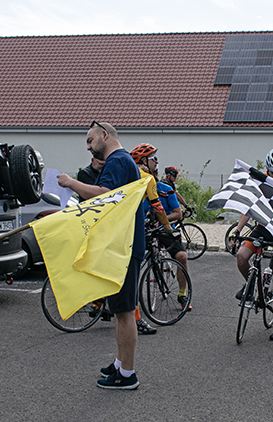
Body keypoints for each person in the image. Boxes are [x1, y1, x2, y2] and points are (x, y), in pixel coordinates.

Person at [57, 121, 145, 390]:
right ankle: (120, 363)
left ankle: (127, 374)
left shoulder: (117, 160)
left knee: (124, 311)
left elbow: (104, 196)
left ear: (104, 135)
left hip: (124, 248)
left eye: (90, 139)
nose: (88, 146)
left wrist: (71, 183)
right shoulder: (122, 160)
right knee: (120, 311)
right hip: (123, 246)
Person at [229, 147, 273, 341]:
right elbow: (249, 208)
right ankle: (252, 286)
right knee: (242, 256)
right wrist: (237, 231)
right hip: (263, 226)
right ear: (268, 169)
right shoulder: (258, 180)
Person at [132, 145, 192, 312]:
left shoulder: (166, 190)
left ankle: (182, 293)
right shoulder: (138, 187)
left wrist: (163, 222)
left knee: (182, 256)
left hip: (163, 229)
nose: (154, 178)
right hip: (144, 228)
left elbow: (178, 214)